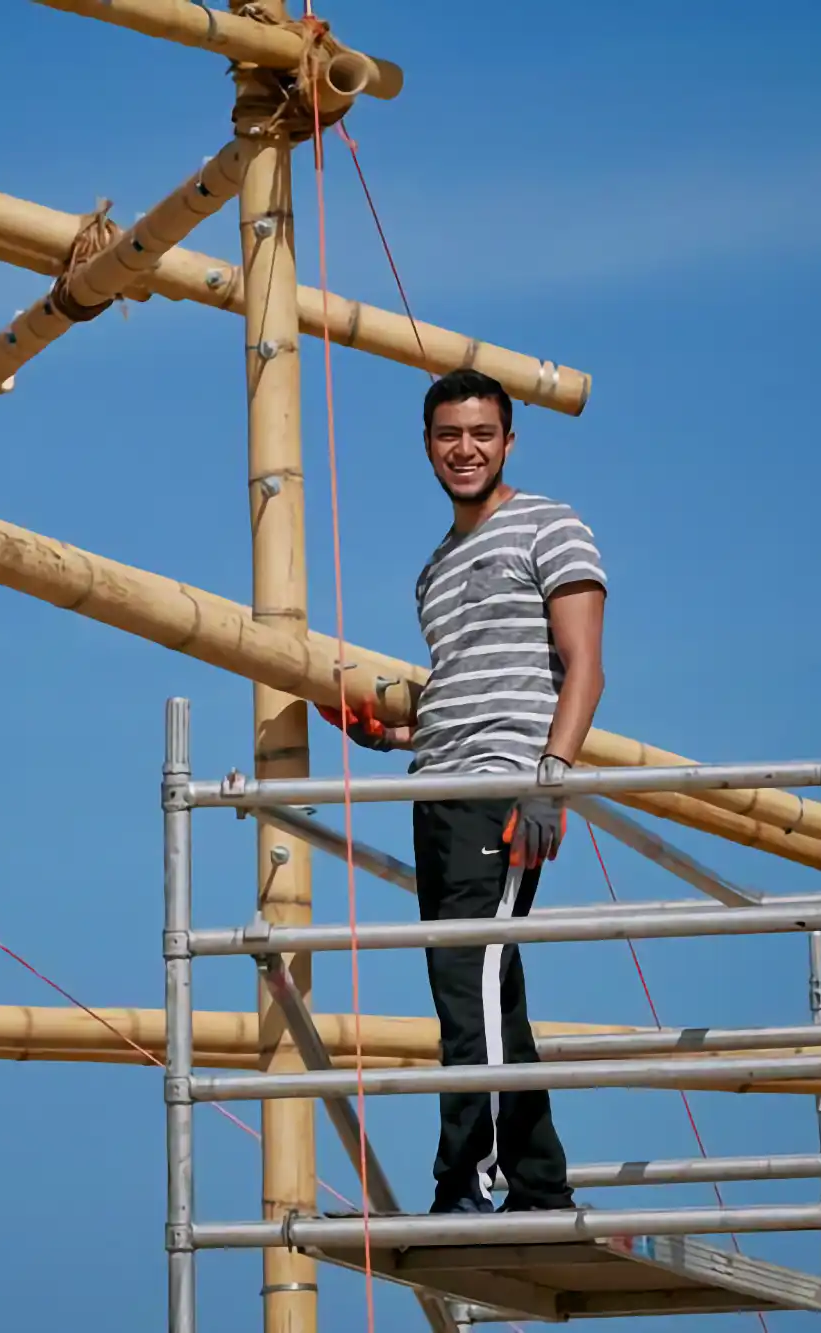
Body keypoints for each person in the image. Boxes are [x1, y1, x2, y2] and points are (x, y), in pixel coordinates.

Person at [320, 367, 607, 1214]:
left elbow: (583, 668)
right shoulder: (435, 571)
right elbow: (471, 685)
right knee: (484, 983)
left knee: (466, 983)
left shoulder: (550, 527)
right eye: (449, 434)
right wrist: (393, 736)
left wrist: (549, 783)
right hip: (438, 789)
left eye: (481, 433)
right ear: (428, 445)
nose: (465, 449)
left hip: (507, 786)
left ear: (508, 440)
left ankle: (465, 1179)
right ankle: (538, 1182)